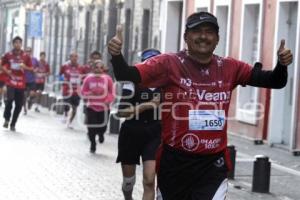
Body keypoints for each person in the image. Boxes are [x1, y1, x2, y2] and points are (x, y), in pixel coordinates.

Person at [108, 12, 293, 200]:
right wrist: (116, 55)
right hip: (174, 163)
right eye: (197, 31)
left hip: (213, 165)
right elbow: (126, 74)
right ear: (186, 37)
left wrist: (282, 65)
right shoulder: (168, 64)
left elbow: (274, 81)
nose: (203, 36)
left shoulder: (230, 67)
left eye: (209, 32)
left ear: (217, 39)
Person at [116, 49, 162, 200]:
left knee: (149, 181)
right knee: (128, 182)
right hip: (131, 133)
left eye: (156, 63)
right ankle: (128, 197)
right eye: (149, 63)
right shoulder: (132, 82)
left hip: (154, 134)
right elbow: (121, 112)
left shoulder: (166, 84)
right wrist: (147, 106)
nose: (153, 67)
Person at [81, 60, 115, 153]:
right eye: (97, 67)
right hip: (92, 106)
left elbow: (112, 92)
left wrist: (108, 100)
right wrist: (89, 93)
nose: (99, 69)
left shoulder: (107, 79)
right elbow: (83, 91)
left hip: (104, 107)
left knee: (103, 126)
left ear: (103, 69)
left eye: (101, 67)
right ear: (93, 68)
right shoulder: (88, 79)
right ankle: (93, 144)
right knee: (91, 127)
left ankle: (101, 134)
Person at [1, 36, 33, 131]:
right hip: (11, 82)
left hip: (21, 83)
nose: (17, 44)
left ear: (21, 44)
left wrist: (25, 67)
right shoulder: (8, 55)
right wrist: (7, 71)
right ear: (13, 44)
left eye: (19, 43)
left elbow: (32, 69)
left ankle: (13, 123)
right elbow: (1, 65)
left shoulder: (26, 56)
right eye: (16, 42)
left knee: (19, 105)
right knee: (9, 100)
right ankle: (7, 118)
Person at [59, 52, 83, 128]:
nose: (74, 58)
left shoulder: (81, 67)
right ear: (70, 57)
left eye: (76, 56)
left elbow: (84, 77)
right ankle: (65, 114)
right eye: (72, 56)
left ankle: (70, 122)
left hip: (76, 91)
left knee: (75, 107)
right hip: (67, 89)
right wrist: (63, 80)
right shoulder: (65, 66)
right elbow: (60, 75)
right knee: (67, 104)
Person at [23, 47, 38, 114]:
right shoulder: (23, 59)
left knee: (33, 94)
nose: (28, 52)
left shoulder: (35, 60)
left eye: (29, 51)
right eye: (27, 51)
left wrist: (35, 70)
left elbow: (37, 67)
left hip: (32, 79)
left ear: (31, 52)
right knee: (24, 95)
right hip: (24, 79)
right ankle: (25, 109)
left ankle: (30, 100)